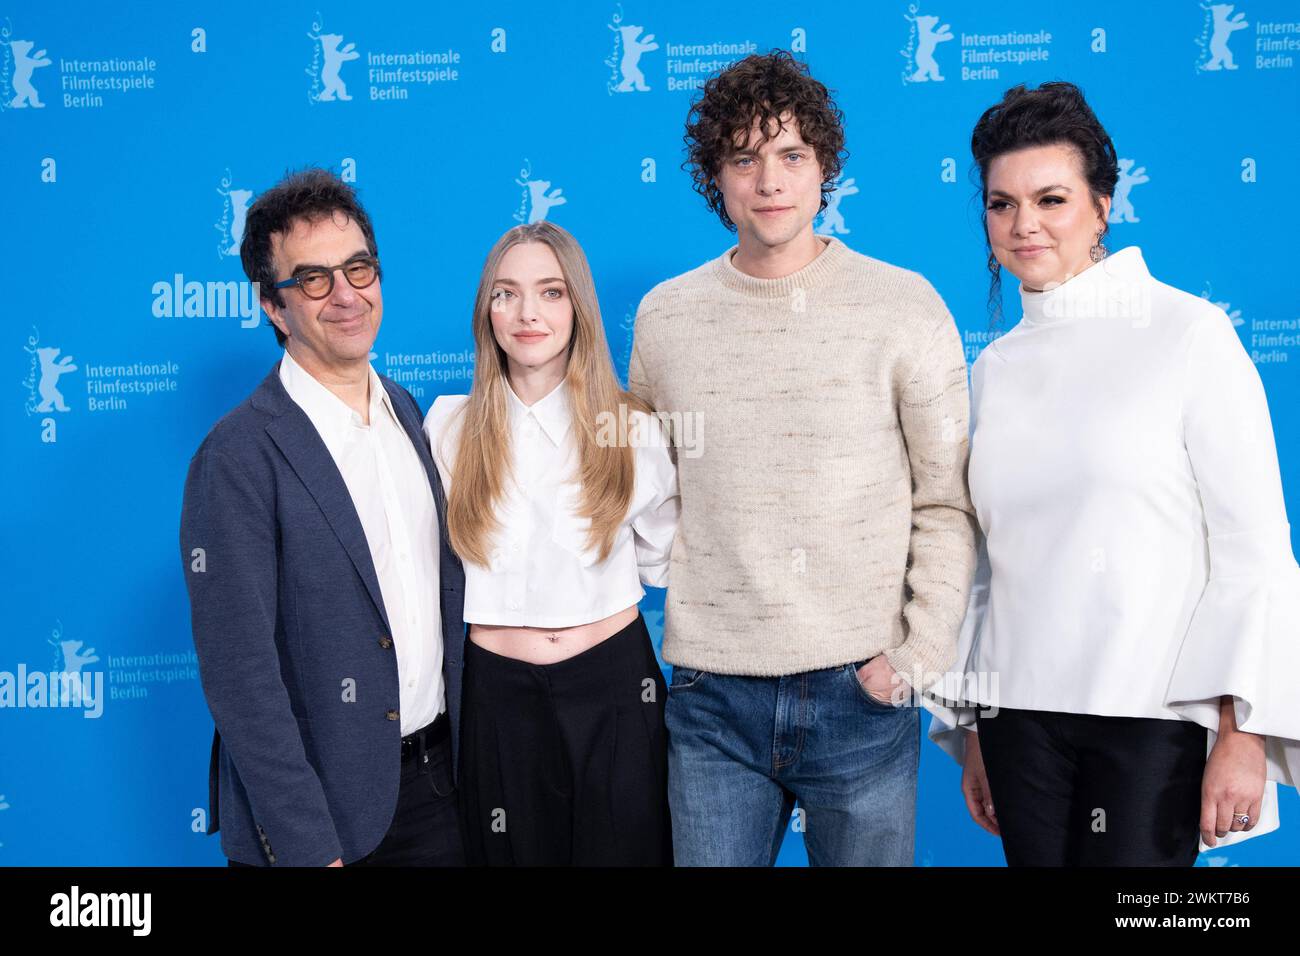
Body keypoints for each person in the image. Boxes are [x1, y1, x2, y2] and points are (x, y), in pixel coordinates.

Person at [927, 81, 1300, 866]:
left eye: (1051, 198)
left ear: (1102, 206)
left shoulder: (1190, 336)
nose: (1024, 225)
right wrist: (976, 730)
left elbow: (1256, 551)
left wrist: (1243, 735)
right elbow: (991, 565)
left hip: (1151, 719)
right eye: (1001, 204)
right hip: (1019, 722)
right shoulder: (993, 368)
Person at [627, 50, 978, 866]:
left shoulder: (903, 304)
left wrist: (915, 658)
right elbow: (639, 488)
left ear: (824, 169)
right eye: (744, 159)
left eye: (791, 155)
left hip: (861, 687)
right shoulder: (665, 317)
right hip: (712, 696)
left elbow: (946, 499)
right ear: (717, 176)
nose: (770, 180)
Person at [180, 168, 466, 866]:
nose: (345, 295)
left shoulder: (407, 412)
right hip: (324, 819)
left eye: (358, 269)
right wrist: (308, 848)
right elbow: (240, 676)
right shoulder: (238, 455)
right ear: (273, 308)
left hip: (441, 790)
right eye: (313, 279)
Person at [423, 220, 679, 866]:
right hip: (496, 699)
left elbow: (662, 559)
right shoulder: (446, 427)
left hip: (616, 690)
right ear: (487, 311)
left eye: (550, 292)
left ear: (579, 308)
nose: (527, 312)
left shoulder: (631, 428)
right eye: (505, 293)